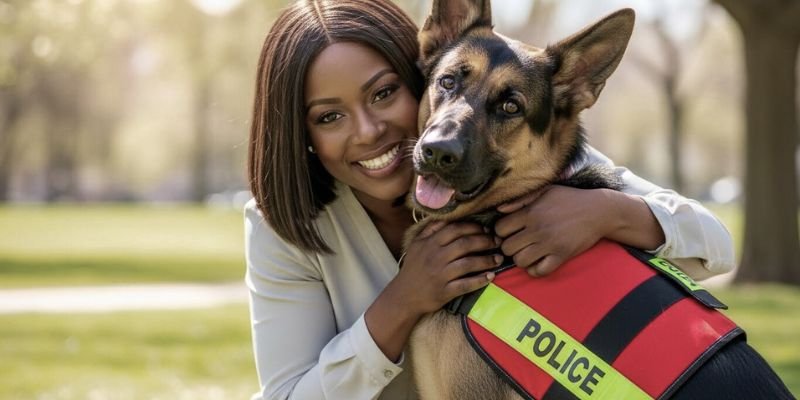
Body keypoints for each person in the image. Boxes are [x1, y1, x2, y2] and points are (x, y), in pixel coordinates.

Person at [244, 1, 735, 399]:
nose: (369, 131)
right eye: (329, 117)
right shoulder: (281, 228)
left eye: (384, 94)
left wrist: (609, 212)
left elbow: (714, 245)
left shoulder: (551, 167)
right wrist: (402, 301)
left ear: (411, 75)